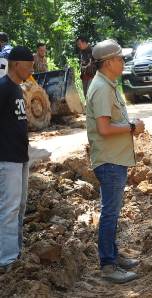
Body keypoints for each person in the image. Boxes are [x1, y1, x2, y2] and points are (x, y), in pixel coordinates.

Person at [86, 39, 145, 283]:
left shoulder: (107, 84)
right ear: (108, 62)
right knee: (110, 213)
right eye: (120, 58)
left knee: (112, 211)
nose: (123, 62)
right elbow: (104, 128)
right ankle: (108, 265)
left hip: (114, 160)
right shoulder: (101, 87)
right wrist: (132, 127)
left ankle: (112, 255)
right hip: (109, 161)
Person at [0, 46, 34, 273]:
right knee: (9, 208)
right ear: (17, 64)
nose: (31, 69)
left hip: (21, 157)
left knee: (20, 207)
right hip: (7, 158)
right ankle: (7, 259)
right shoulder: (3, 88)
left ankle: (16, 251)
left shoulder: (17, 89)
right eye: (29, 64)